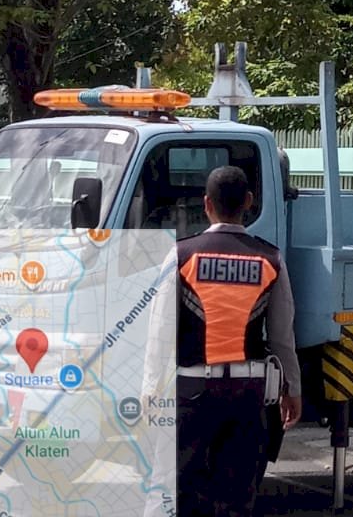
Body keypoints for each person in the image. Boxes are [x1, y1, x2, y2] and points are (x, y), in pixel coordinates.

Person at [144, 165, 302, 517]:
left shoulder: (182, 255)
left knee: (175, 491)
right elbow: (281, 335)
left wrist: (150, 389)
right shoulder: (270, 259)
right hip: (248, 393)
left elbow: (160, 331)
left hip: (192, 391)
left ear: (206, 204)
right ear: (248, 202)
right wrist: (293, 389)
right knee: (235, 498)